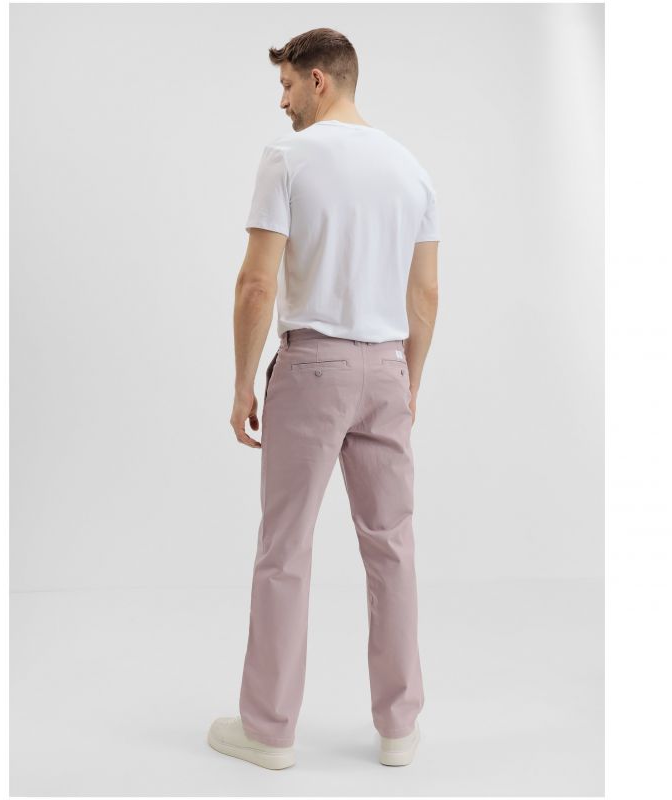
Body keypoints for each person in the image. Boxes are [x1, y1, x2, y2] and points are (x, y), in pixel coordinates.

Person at [208, 27, 440, 770]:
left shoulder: (289, 158)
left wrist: (242, 382)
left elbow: (256, 283)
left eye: (286, 85)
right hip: (387, 369)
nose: (282, 102)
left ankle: (270, 730)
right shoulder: (411, 170)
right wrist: (408, 382)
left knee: (284, 549)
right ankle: (399, 729)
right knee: (392, 547)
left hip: (312, 369)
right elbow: (425, 295)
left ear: (319, 80)